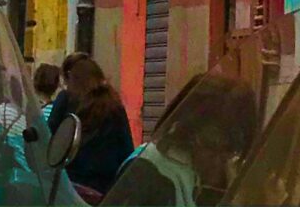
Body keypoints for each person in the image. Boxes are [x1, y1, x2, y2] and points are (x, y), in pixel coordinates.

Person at [100, 73, 259, 207]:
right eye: (213, 144)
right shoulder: (147, 172)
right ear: (191, 130)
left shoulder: (196, 175)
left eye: (231, 150)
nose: (220, 161)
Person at [58, 54, 134, 203]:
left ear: (70, 78)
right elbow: (127, 153)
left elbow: (50, 144)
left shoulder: (66, 100)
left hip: (68, 188)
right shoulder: (114, 105)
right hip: (103, 192)